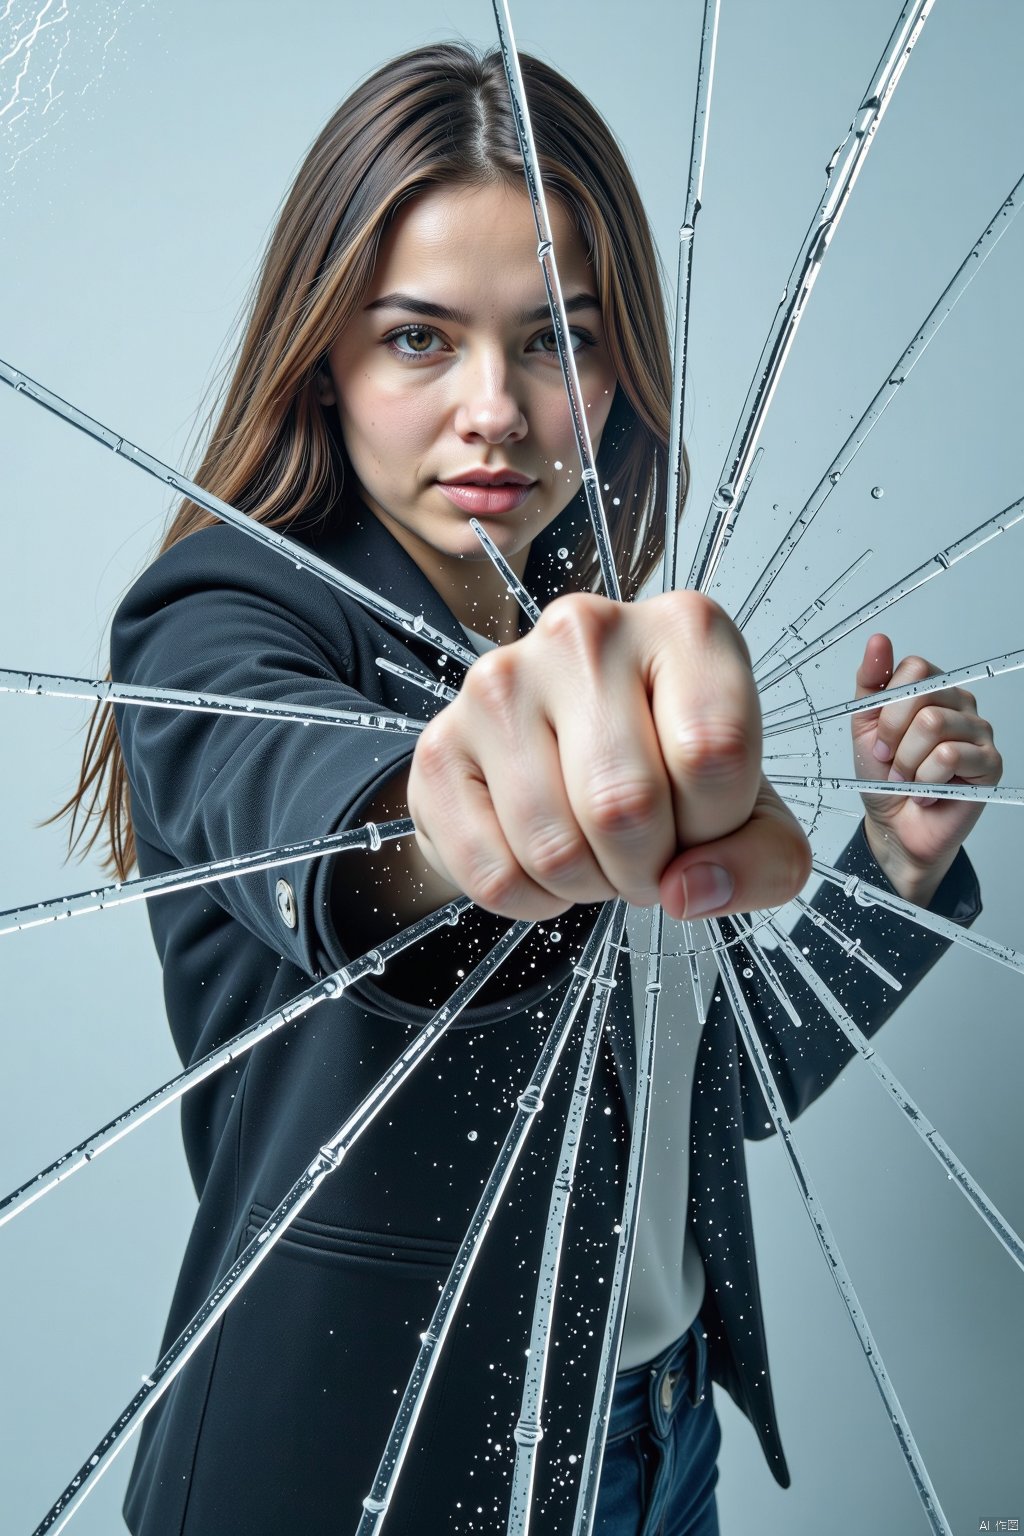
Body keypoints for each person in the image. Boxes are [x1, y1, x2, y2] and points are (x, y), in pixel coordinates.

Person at [58, 41, 999, 1536]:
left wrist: (898, 868)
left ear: (619, 370)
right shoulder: (219, 623)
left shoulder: (590, 629)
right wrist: (462, 826)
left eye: (556, 339)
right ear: (326, 360)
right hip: (370, 1474)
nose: (495, 407)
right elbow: (340, 841)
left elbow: (714, 1089)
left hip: (656, 1433)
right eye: (422, 340)